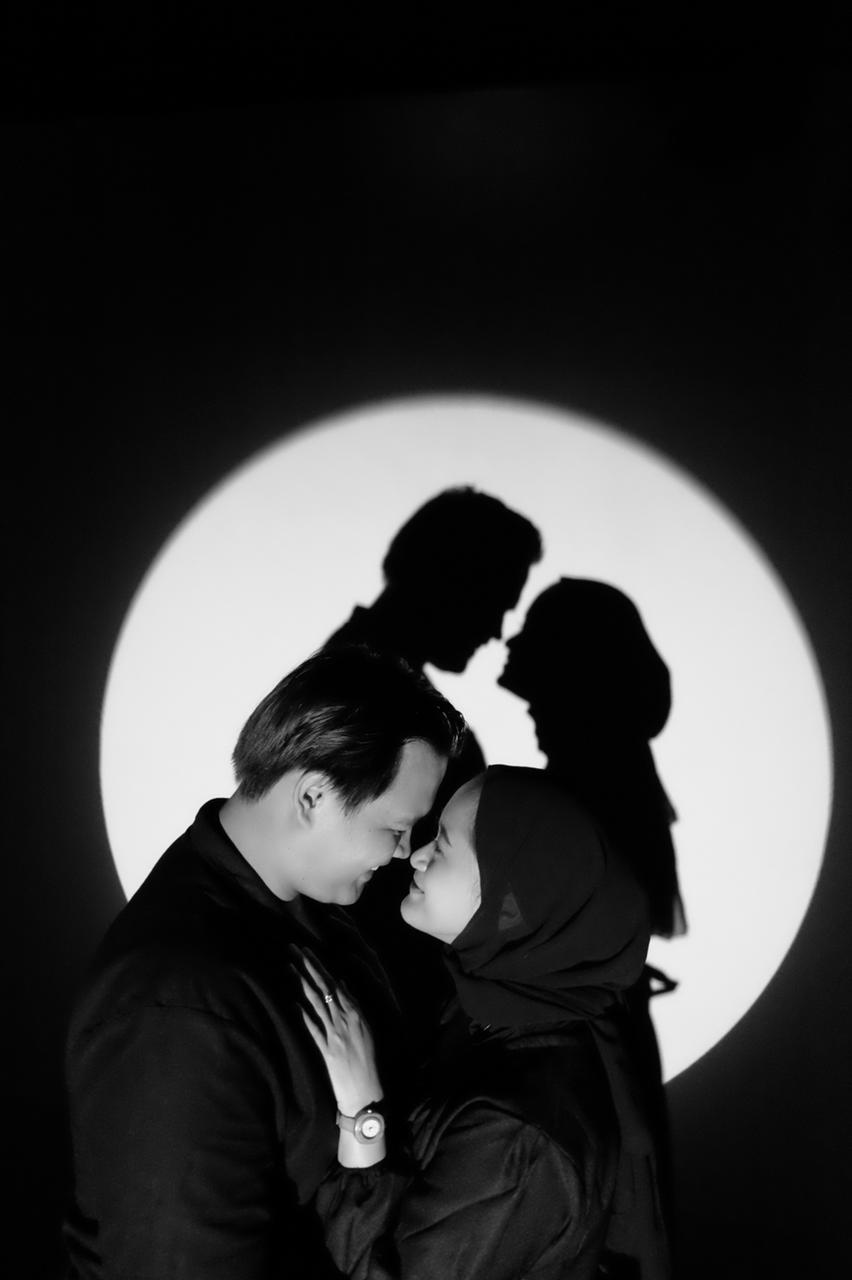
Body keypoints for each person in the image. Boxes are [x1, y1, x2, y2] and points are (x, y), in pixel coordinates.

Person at [62, 646, 466, 1279]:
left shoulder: (311, 912)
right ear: (313, 796)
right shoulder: (179, 1009)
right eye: (395, 827)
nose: (403, 852)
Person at [297, 766, 670, 1280]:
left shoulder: (521, 1132)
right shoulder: (484, 1013)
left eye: (443, 845)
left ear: (508, 899)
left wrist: (362, 1116)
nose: (416, 855)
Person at [499, 577, 686, 1230]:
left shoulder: (572, 808)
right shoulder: (619, 792)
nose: (529, 709)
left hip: (580, 1058)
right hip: (602, 1048)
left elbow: (522, 929)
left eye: (540, 693)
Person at [324, 487, 543, 1046]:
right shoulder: (363, 689)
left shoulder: (373, 677)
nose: (496, 630)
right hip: (388, 1001)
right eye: (498, 601)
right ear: (454, 580)